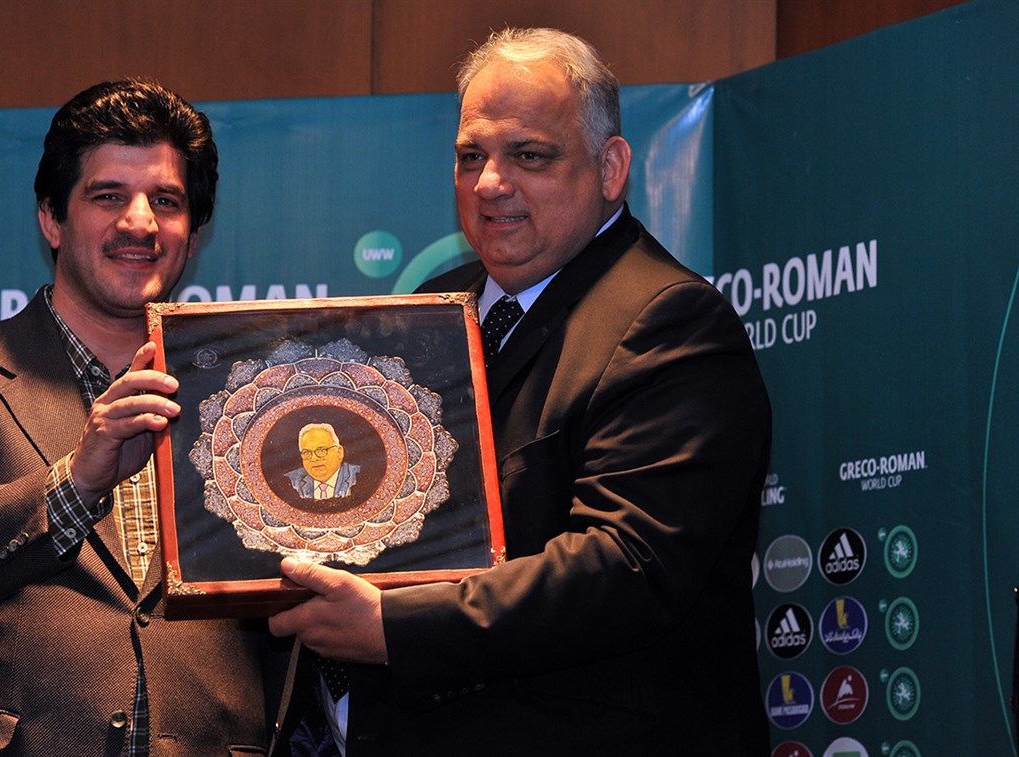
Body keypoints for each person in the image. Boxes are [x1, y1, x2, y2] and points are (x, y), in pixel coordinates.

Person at [268, 28, 771, 755]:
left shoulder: (671, 321)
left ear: (611, 168)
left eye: (529, 155)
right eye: (471, 156)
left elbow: (625, 565)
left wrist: (393, 626)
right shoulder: (431, 309)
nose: (489, 183)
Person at [0, 79, 279, 755]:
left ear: (192, 234)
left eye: (166, 201)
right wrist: (73, 484)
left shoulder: (249, 398)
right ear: (51, 217)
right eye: (108, 197)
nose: (140, 222)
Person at [286, 423, 360, 499]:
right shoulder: (290, 481)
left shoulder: (359, 477)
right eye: (306, 452)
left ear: (339, 452)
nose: (314, 458)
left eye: (321, 450)